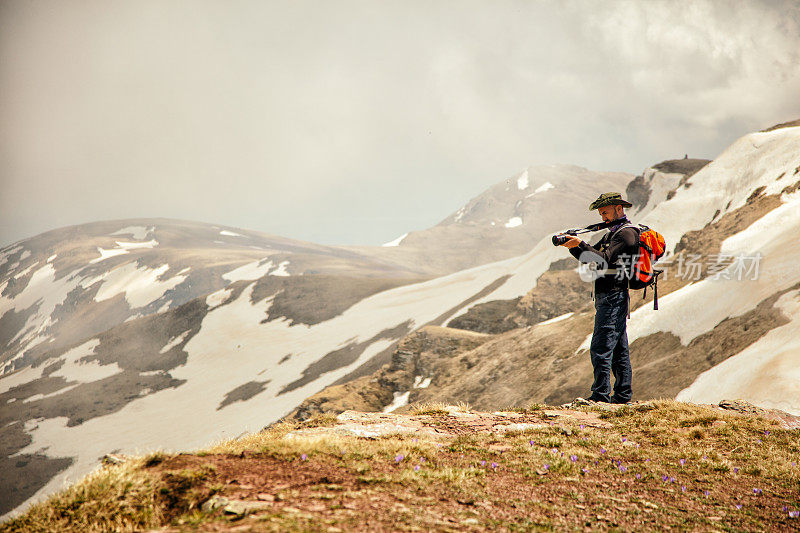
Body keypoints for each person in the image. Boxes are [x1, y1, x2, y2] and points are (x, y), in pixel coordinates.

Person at [559, 192, 639, 404]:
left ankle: (600, 396)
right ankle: (622, 396)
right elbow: (592, 259)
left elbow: (603, 261)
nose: (602, 216)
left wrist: (580, 244)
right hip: (609, 295)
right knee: (619, 349)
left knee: (601, 347)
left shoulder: (626, 234)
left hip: (614, 295)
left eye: (605, 212)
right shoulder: (613, 234)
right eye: (601, 213)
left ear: (618, 209)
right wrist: (575, 247)